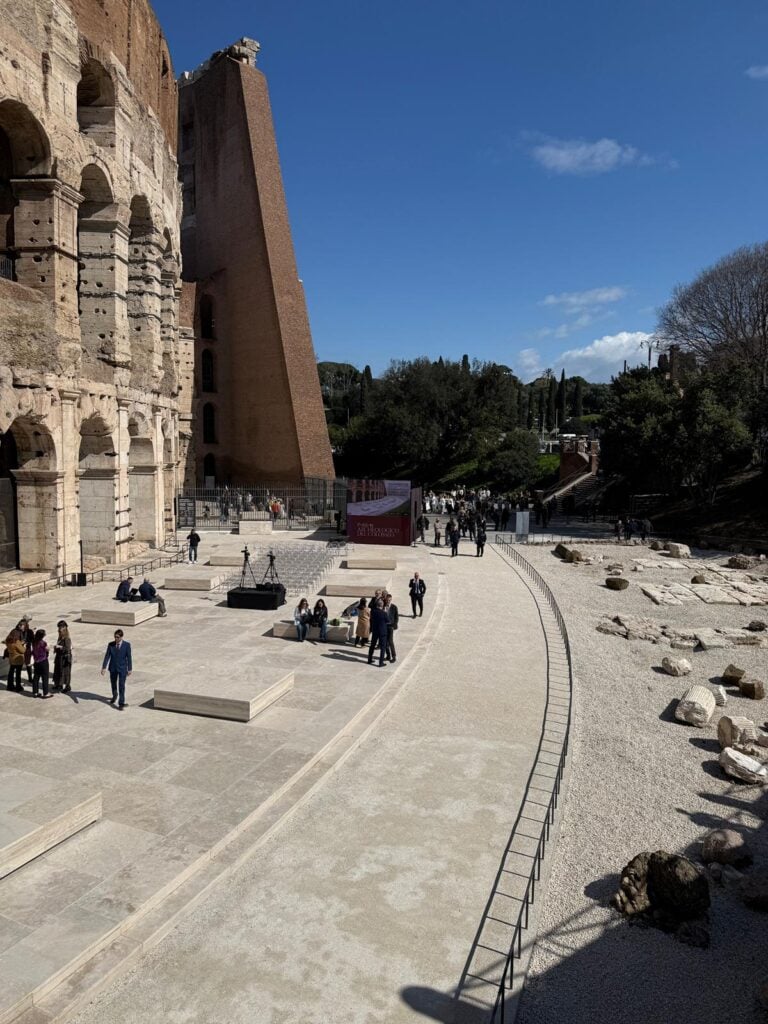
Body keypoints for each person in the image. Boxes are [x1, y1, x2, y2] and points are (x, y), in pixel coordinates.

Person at [101, 629, 132, 708]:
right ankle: (115, 695)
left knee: (121, 685)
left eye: (117, 637)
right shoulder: (111, 644)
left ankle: (121, 703)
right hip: (113, 668)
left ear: (121, 637)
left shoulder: (127, 645)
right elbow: (107, 656)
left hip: (122, 668)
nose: (116, 639)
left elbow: (129, 657)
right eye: (115, 637)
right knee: (113, 683)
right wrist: (104, 667)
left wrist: (130, 669)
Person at [367, 599, 389, 667]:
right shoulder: (384, 613)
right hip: (382, 632)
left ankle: (369, 659)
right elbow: (387, 621)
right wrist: (385, 612)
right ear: (382, 605)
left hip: (375, 631)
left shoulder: (373, 612)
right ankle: (381, 662)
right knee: (383, 647)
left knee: (372, 645)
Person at [52, 620, 73, 693]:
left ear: (64, 628)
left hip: (65, 659)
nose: (58, 630)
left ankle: (67, 686)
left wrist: (60, 647)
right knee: (58, 671)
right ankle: (59, 684)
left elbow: (67, 649)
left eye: (60, 628)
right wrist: (56, 648)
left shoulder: (67, 639)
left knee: (65, 672)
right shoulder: (60, 637)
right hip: (59, 657)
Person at [32, 629, 51, 698]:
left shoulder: (34, 642)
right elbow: (47, 649)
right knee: (45, 677)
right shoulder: (43, 643)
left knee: (36, 677)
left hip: (36, 661)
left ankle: (35, 692)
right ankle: (45, 693)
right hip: (43, 661)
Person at [5, 628, 26, 692]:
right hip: (18, 659)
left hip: (11, 658)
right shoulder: (16, 641)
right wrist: (23, 645)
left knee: (11, 672)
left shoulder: (7, 640)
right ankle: (18, 686)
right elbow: (22, 650)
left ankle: (10, 686)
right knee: (18, 674)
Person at [16, 616, 34, 686]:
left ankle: (30, 678)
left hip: (27, 649)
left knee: (28, 664)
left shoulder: (29, 632)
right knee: (19, 664)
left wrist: (26, 642)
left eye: (21, 625)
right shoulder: (17, 631)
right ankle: (18, 678)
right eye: (19, 625)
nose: (20, 626)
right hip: (19, 649)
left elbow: (32, 639)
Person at [384, 592, 399, 663]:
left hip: (390, 626)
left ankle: (394, 656)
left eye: (389, 600)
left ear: (391, 599)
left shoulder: (394, 607)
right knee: (385, 642)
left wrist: (394, 625)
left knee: (390, 641)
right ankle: (388, 655)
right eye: (387, 600)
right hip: (384, 626)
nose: (388, 601)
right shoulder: (383, 606)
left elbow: (396, 618)